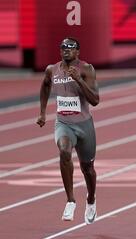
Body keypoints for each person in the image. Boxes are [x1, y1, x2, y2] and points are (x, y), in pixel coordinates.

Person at [36, 37, 99, 224]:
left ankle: (91, 199)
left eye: (71, 48)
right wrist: (42, 112)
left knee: (88, 168)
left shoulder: (87, 69)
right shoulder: (51, 70)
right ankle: (71, 200)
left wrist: (78, 79)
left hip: (84, 125)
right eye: (63, 47)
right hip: (63, 123)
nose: (66, 50)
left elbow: (95, 100)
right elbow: (45, 86)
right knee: (64, 151)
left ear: (78, 52)